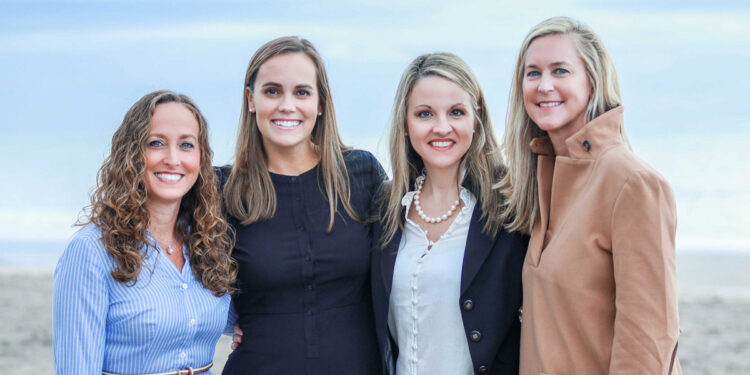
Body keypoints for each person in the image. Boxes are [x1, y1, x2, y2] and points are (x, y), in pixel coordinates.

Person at [496, 16, 682, 374]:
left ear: (592, 80)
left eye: (560, 71)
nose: (544, 85)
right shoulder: (539, 181)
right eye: (532, 73)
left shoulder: (633, 184)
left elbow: (649, 339)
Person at [218, 36, 384, 374]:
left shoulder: (362, 173)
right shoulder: (222, 189)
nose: (287, 105)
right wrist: (224, 322)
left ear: (321, 102)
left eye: (302, 92)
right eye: (272, 91)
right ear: (251, 100)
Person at [53, 90, 237, 375]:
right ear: (131, 154)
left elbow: (242, 318)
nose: (173, 159)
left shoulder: (207, 242)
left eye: (187, 145)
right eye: (156, 143)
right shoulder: (91, 251)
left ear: (201, 159)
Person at [370, 52, 528, 375]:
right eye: (425, 114)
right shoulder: (383, 211)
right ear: (405, 122)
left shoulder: (511, 211)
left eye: (456, 112)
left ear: (476, 117)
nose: (442, 128)